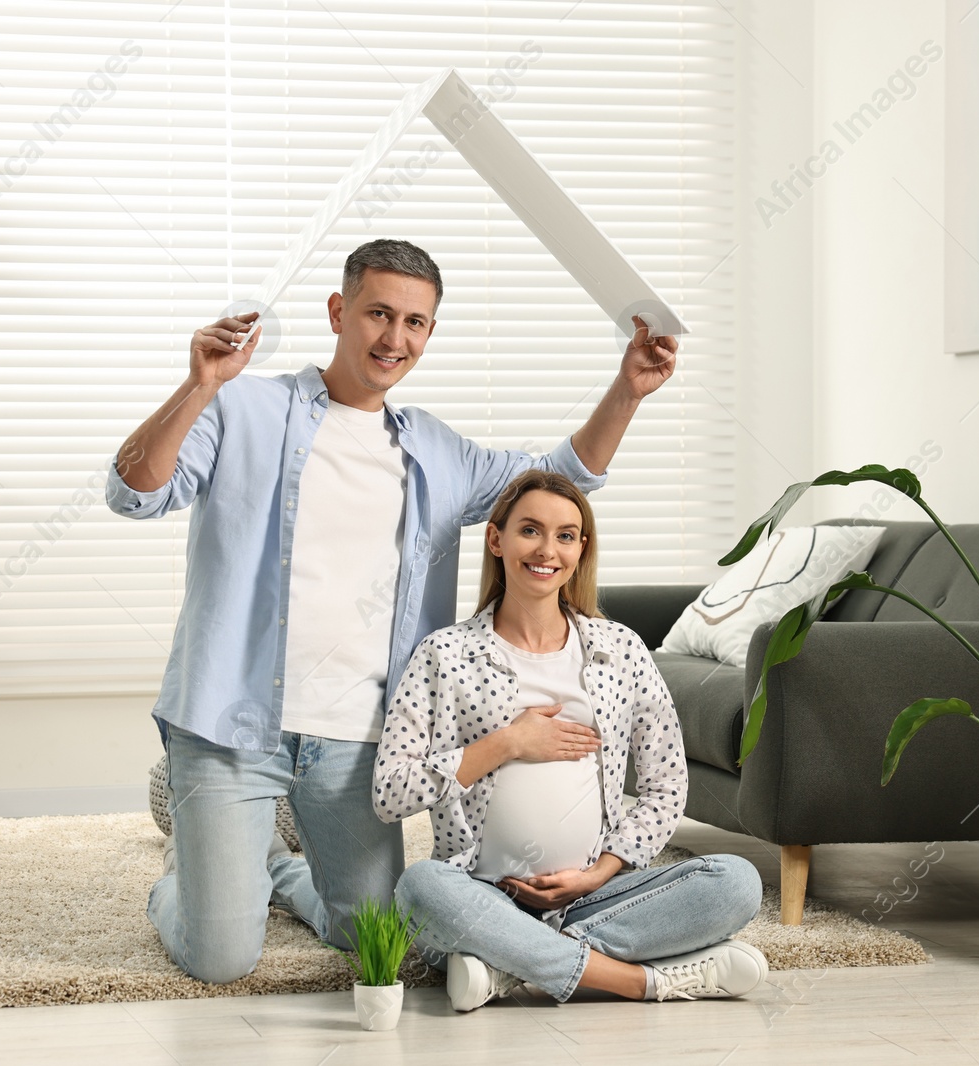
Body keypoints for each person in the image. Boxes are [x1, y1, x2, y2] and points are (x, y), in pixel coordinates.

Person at [106, 239, 678, 984]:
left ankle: (270, 874)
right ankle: (189, 875)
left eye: (415, 323)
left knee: (375, 940)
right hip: (233, 725)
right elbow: (135, 493)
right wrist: (198, 385)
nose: (394, 338)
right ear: (341, 312)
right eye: (379, 314)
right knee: (222, 958)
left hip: (355, 743)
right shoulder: (242, 406)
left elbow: (561, 479)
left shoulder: (436, 451)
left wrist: (628, 391)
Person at [376, 469, 766, 1009]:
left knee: (737, 881)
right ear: (497, 539)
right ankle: (637, 980)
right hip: (480, 890)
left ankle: (510, 965)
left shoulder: (621, 649)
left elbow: (666, 784)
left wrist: (598, 874)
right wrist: (508, 743)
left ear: (581, 549)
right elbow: (390, 793)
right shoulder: (444, 655)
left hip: (593, 898)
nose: (546, 550)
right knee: (419, 889)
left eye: (565, 535)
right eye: (529, 530)